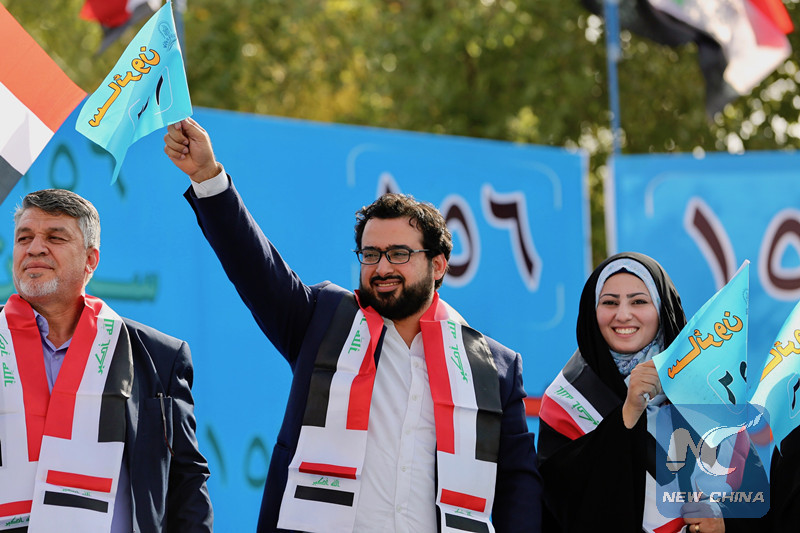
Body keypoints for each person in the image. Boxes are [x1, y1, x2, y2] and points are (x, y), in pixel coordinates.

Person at [163, 117, 543, 532]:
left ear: (437, 265)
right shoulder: (325, 323)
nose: (382, 268)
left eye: (399, 254)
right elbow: (256, 267)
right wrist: (208, 177)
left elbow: (517, 489)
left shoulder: (492, 367)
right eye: (370, 254)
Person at [0, 189, 213, 532]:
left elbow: (186, 481)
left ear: (91, 260)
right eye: (24, 237)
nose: (35, 248)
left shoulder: (158, 357)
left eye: (55, 237)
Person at [537, 252, 731, 533]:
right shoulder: (566, 399)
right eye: (609, 302)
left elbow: (750, 494)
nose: (623, 315)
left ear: (662, 309)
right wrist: (627, 414)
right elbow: (562, 505)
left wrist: (726, 523)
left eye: (639, 301)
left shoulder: (706, 390)